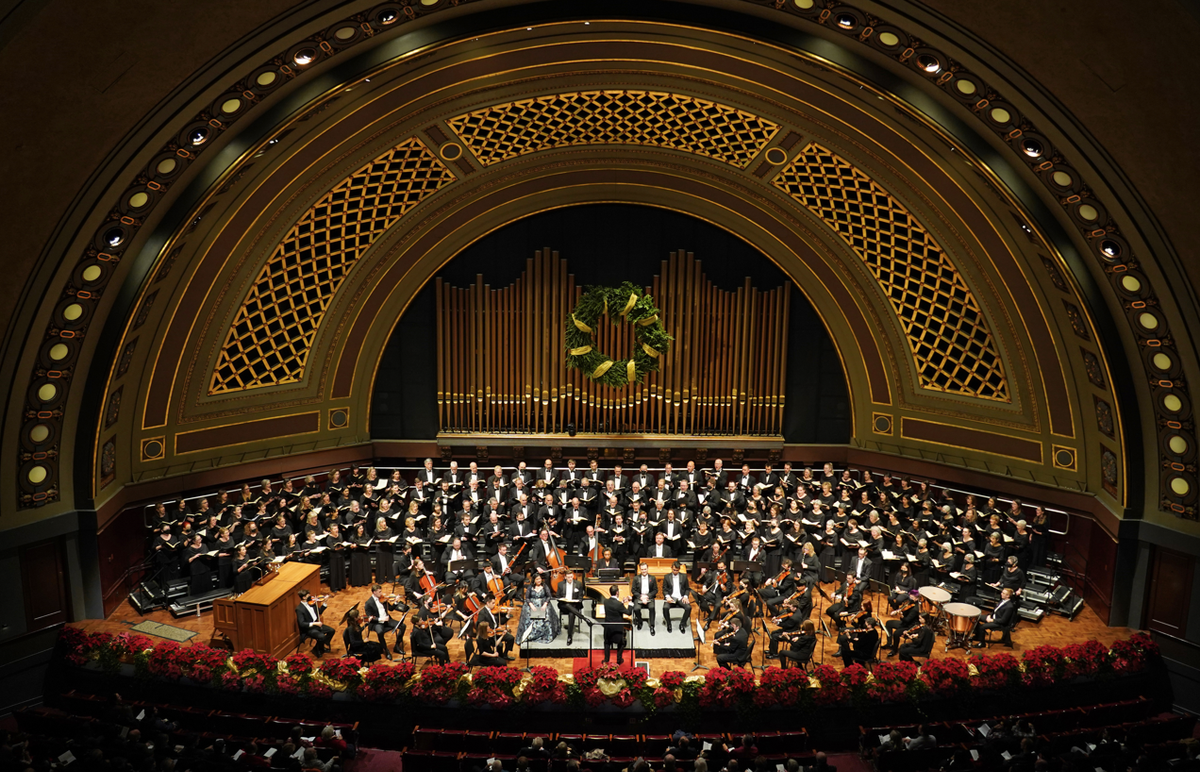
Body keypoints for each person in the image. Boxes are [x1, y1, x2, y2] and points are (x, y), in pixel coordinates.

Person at [516, 573, 561, 645]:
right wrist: (531, 605)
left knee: (547, 614)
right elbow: (527, 598)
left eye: (539, 579)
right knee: (527, 614)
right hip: (532, 604)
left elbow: (549, 596)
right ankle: (530, 634)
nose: (539, 580)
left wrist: (545, 604)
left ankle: (544, 634)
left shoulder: (544, 586)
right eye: (537, 579)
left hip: (543, 604)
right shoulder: (530, 587)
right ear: (534, 580)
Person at [364, 583, 407, 658]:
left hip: (387, 620)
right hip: (377, 623)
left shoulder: (383, 599)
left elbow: (390, 608)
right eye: (379, 592)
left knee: (403, 626)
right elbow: (369, 618)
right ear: (374, 592)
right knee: (380, 632)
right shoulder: (368, 603)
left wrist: (396, 602)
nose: (381, 593)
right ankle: (386, 650)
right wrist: (381, 619)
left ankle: (397, 646)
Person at [295, 589, 334, 657]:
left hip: (317, 625)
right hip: (309, 629)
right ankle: (317, 649)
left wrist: (325, 601)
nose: (311, 597)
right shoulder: (299, 609)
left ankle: (319, 647)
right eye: (308, 596)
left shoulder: (312, 603)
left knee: (331, 631)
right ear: (304, 597)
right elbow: (302, 623)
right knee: (322, 636)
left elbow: (319, 612)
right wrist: (314, 623)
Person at [600, 585, 631, 664]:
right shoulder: (618, 605)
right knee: (621, 643)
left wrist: (622, 602)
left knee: (607, 643)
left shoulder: (606, 601)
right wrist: (630, 603)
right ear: (617, 593)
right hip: (617, 628)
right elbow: (628, 613)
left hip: (608, 627)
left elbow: (614, 606)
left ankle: (606, 660)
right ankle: (619, 659)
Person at [556, 571, 587, 645]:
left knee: (572, 613)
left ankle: (569, 636)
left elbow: (580, 597)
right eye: (568, 577)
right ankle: (582, 617)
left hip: (574, 605)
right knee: (567, 605)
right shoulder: (560, 584)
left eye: (571, 577)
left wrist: (577, 600)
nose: (570, 579)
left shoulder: (578, 584)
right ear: (565, 577)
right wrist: (563, 599)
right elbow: (557, 596)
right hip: (564, 605)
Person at [661, 561, 691, 633]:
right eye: (674, 570)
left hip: (680, 597)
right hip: (671, 597)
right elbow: (664, 589)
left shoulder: (683, 576)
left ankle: (682, 624)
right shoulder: (667, 577)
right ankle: (669, 624)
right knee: (665, 607)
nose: (675, 572)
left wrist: (686, 596)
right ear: (671, 568)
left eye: (677, 570)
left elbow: (687, 588)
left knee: (688, 608)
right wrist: (667, 597)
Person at [629, 562, 659, 634]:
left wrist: (648, 596)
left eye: (645, 569)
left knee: (652, 608)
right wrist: (641, 597)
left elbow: (655, 590)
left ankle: (652, 626)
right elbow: (633, 590)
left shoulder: (652, 578)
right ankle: (640, 621)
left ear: (647, 569)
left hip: (649, 597)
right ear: (640, 570)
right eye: (642, 569)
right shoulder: (636, 578)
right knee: (636, 609)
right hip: (639, 597)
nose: (644, 571)